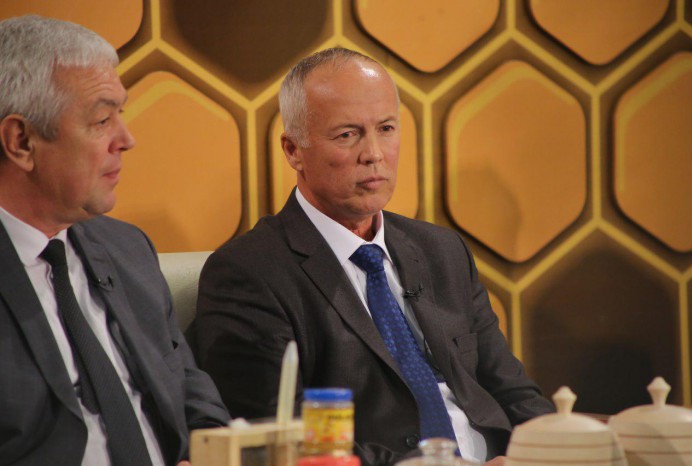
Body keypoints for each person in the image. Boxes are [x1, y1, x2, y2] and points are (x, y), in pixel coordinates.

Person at [195, 48, 553, 465]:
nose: (374, 154)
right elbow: (285, 440)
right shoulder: (249, 273)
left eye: (385, 129)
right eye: (348, 134)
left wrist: (557, 448)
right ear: (293, 150)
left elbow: (511, 390)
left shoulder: (442, 251)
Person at [0, 15, 229, 466]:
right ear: (21, 141)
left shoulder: (127, 250)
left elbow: (190, 390)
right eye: (102, 120)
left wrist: (208, 453)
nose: (127, 139)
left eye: (120, 114)